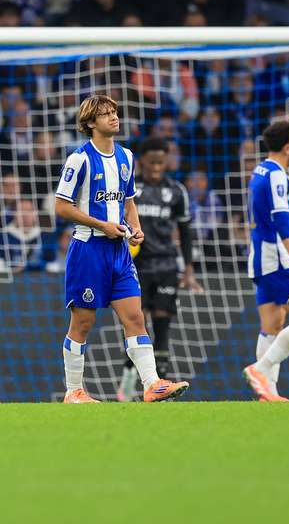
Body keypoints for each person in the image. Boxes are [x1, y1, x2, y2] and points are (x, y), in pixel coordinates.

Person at [54, 94, 189, 403]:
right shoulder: (80, 159)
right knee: (83, 322)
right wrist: (102, 225)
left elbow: (128, 202)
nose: (114, 118)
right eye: (105, 114)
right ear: (90, 123)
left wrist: (135, 226)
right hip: (88, 249)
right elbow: (61, 207)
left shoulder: (126, 157)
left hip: (120, 253)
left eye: (114, 112)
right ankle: (74, 391)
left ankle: (152, 384)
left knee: (135, 318)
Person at [117, 137, 202, 402]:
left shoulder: (176, 191)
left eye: (161, 162)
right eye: (151, 162)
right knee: (136, 322)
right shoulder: (131, 191)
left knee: (163, 323)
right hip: (136, 265)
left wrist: (188, 269)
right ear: (141, 161)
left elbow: (185, 231)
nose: (156, 167)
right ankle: (130, 380)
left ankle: (162, 382)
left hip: (166, 265)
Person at [243, 121, 289, 402]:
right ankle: (260, 370)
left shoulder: (260, 171)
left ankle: (268, 393)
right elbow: (282, 221)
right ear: (288, 148)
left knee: (272, 325)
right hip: (276, 259)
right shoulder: (276, 176)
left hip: (261, 257)